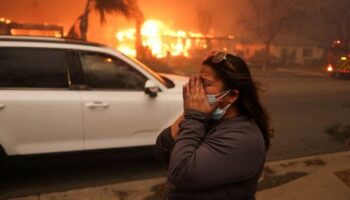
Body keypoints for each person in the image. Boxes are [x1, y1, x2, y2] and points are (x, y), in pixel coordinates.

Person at [155, 51, 273, 200]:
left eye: (204, 84)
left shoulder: (243, 137)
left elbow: (180, 173)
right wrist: (190, 113)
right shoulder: (206, 119)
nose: (196, 90)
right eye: (196, 82)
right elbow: (163, 148)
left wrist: (194, 116)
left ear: (232, 95)